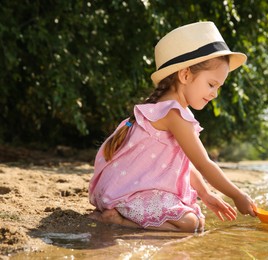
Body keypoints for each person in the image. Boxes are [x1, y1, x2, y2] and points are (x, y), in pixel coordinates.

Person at [88, 21, 256, 233]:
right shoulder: (174, 114)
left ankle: (120, 215)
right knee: (190, 223)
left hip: (115, 191)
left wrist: (205, 194)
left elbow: (185, 163)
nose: (214, 94)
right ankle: (118, 220)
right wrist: (237, 195)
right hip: (128, 194)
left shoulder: (161, 109)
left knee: (196, 219)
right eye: (212, 84)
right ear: (185, 75)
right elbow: (203, 163)